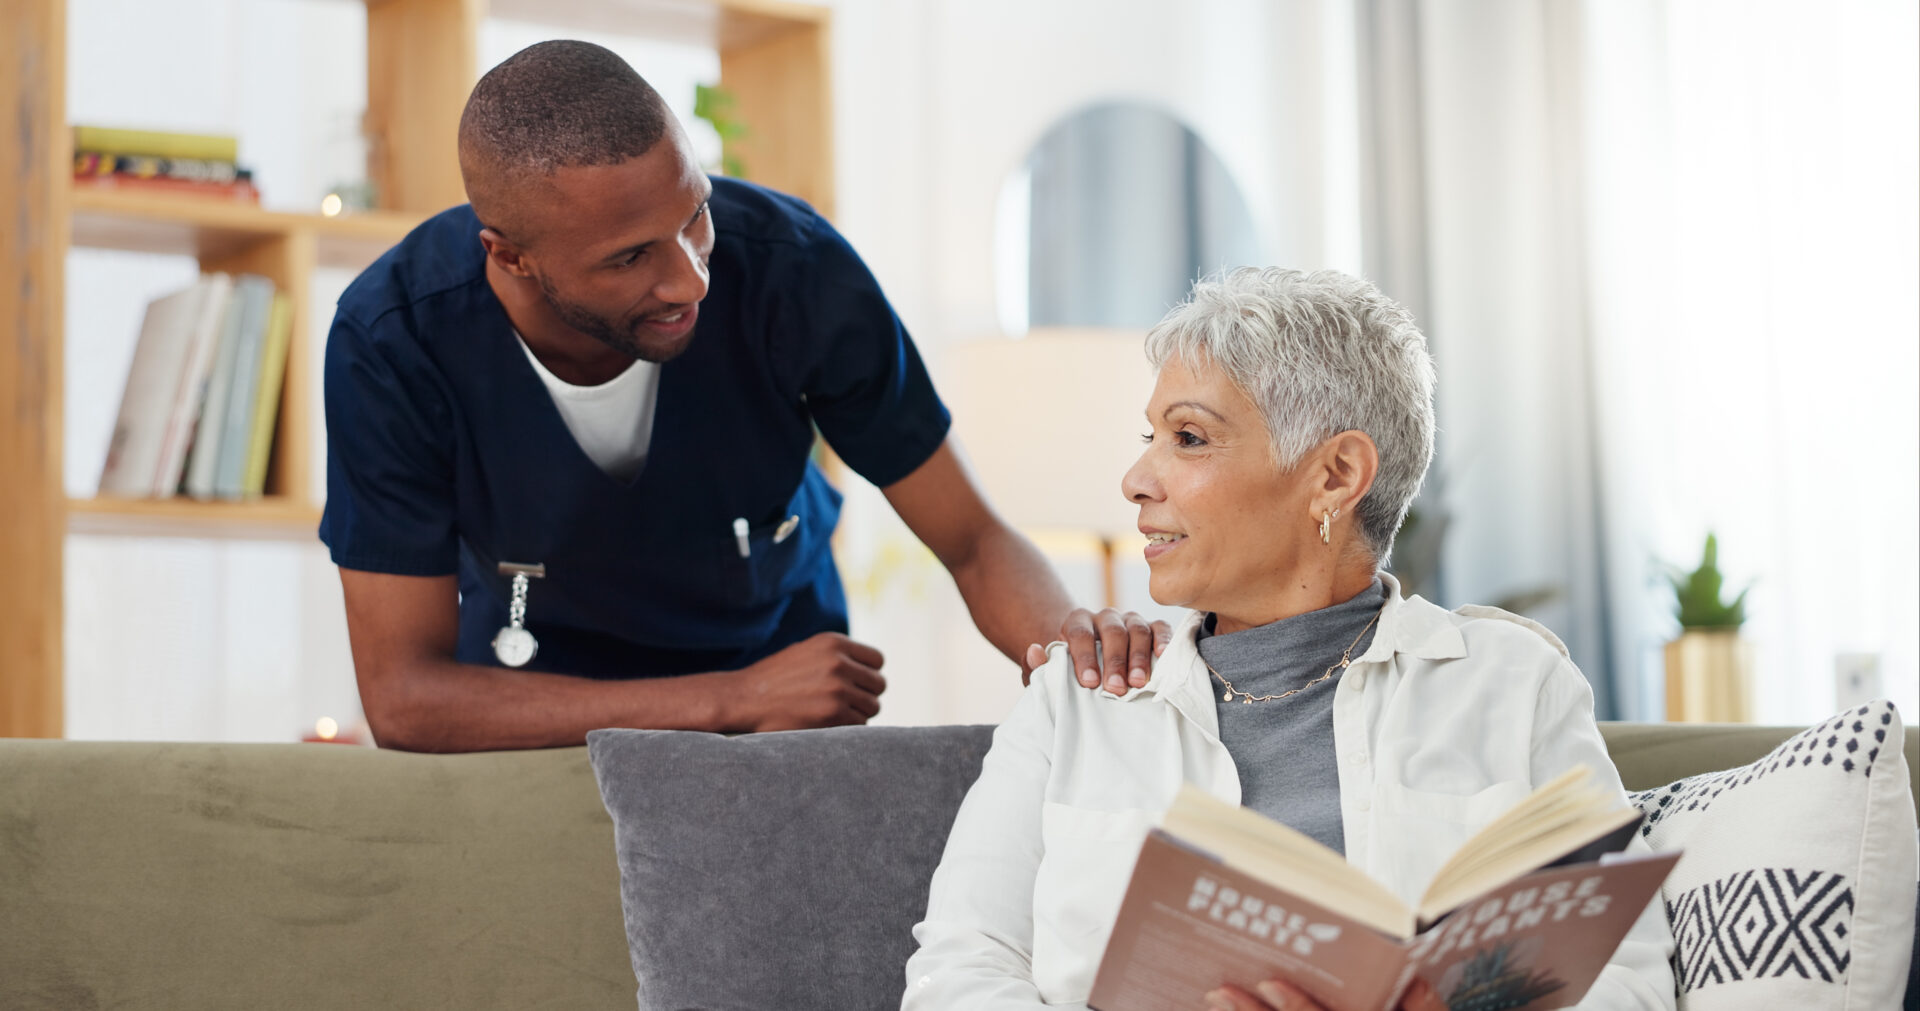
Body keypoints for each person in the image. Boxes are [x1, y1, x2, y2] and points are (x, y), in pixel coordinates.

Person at [319, 40, 1164, 753]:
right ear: (511, 257)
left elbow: (975, 542)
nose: (690, 277)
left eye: (696, 215)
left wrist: (1074, 662)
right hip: (538, 711)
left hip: (785, 690)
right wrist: (730, 699)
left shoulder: (796, 273)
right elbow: (405, 697)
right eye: (629, 258)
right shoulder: (391, 344)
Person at [902, 268, 1676, 1010]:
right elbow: (955, 976)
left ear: (1336, 475)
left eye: (1189, 438)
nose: (1137, 478)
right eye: (1151, 435)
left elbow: (1629, 979)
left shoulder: (1513, 686)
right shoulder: (1076, 700)